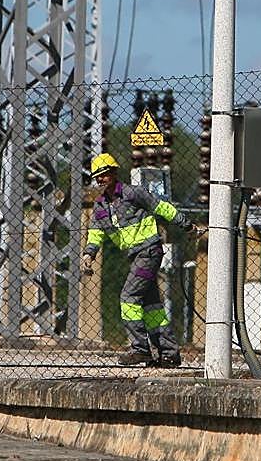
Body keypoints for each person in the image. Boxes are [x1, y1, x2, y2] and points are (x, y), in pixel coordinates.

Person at [82, 152, 197, 367]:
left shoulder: (133, 193)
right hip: (136, 256)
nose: (100, 179)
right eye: (97, 175)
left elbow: (161, 207)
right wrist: (89, 253)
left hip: (149, 252)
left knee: (128, 297)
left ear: (114, 173)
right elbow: (95, 232)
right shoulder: (100, 207)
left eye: (104, 174)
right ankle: (169, 353)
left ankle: (140, 349)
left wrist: (186, 224)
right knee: (152, 307)